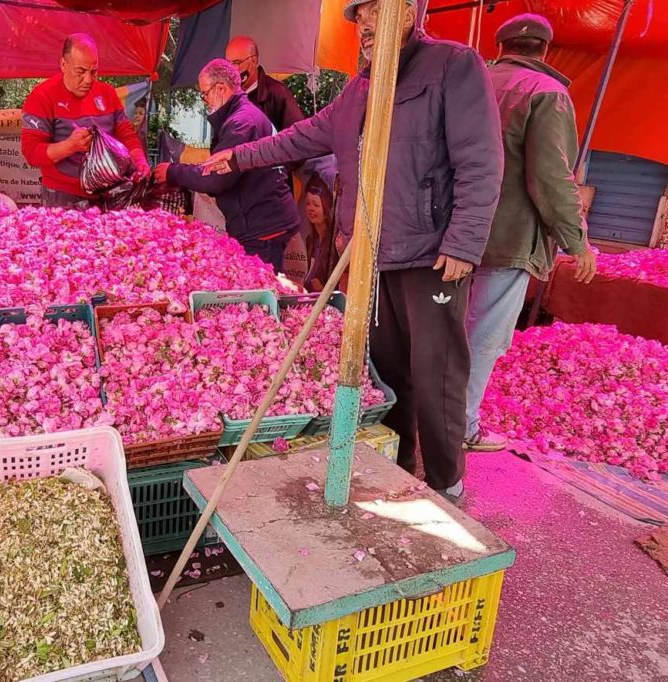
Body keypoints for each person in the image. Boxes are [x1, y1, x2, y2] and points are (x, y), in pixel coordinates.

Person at [203, 0, 504, 502]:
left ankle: (447, 481)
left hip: (433, 256)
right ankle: (402, 464)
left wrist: (465, 242)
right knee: (387, 370)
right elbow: (301, 136)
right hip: (371, 257)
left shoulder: (452, 65)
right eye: (359, 16)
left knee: (438, 372)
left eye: (374, 10)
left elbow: (481, 160)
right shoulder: (359, 86)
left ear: (407, 11)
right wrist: (240, 154)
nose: (364, 24)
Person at [463, 14, 597, 452]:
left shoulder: (473, 83)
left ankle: (426, 413)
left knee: (447, 330)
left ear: (501, 46)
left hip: (452, 232)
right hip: (507, 238)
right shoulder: (548, 94)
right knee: (483, 337)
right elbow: (551, 177)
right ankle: (461, 428)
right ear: (544, 49)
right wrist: (577, 241)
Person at [153, 59, 300, 273]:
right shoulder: (242, 116)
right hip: (264, 221)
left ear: (220, 88)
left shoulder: (242, 123)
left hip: (262, 226)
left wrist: (172, 172)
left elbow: (217, 177)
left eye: (205, 93)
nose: (204, 101)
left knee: (260, 293)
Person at [21, 33, 150, 209]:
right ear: (63, 65)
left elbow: (127, 135)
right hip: (62, 196)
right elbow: (32, 153)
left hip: (109, 192)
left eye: (94, 72)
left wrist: (140, 161)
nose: (88, 80)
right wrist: (70, 146)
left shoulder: (108, 94)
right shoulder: (41, 97)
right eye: (80, 72)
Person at [225, 36, 305, 134]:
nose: (233, 69)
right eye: (229, 64)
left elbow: (296, 135)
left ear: (253, 61)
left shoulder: (278, 92)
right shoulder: (228, 96)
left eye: (237, 63)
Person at [303, 179, 337, 291]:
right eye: (308, 203)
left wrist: (323, 289)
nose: (310, 208)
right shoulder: (310, 240)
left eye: (316, 205)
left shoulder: (334, 242)